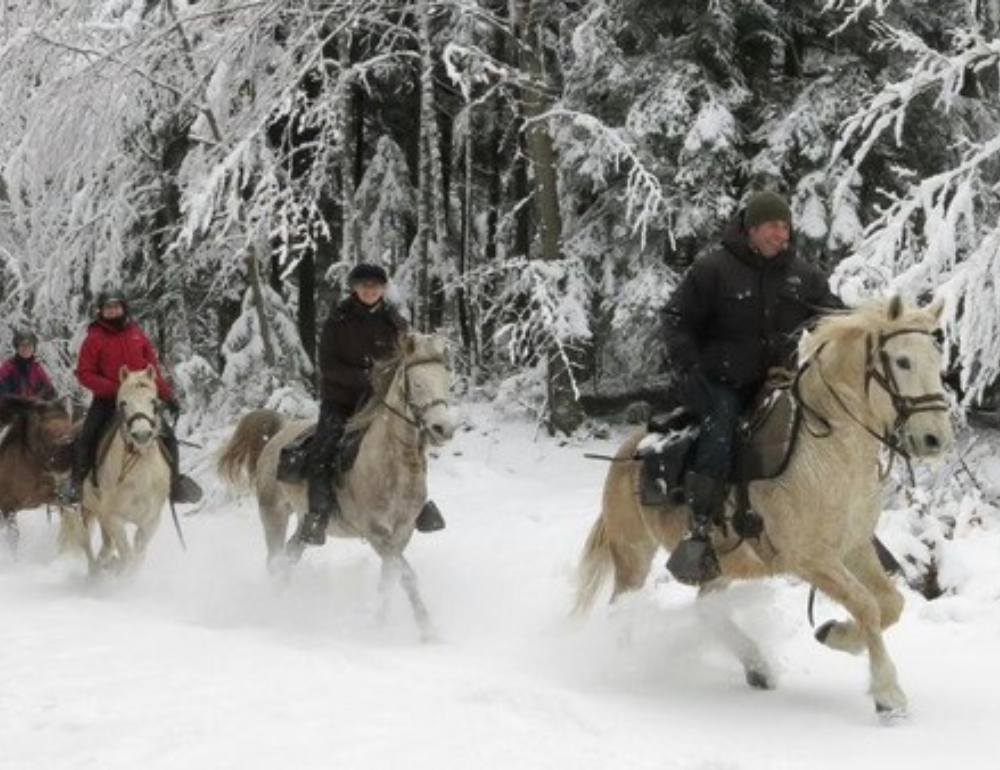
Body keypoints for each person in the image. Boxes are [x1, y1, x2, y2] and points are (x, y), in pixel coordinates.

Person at [661, 190, 841, 585]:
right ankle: (699, 529)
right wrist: (688, 365)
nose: (783, 233)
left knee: (819, 425)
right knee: (722, 427)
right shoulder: (714, 268)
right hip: (718, 381)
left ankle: (841, 522)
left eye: (786, 225)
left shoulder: (802, 274)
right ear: (753, 228)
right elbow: (676, 317)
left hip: (776, 382)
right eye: (774, 225)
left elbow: (832, 313)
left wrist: (874, 324)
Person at [293, 263, 446, 548]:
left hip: (382, 404)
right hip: (342, 402)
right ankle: (317, 516)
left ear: (383, 289)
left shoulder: (396, 323)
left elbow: (407, 362)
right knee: (322, 449)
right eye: (364, 285)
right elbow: (327, 366)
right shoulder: (337, 321)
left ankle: (417, 506)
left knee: (414, 443)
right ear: (354, 288)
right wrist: (366, 378)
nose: (369, 290)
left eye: (375, 285)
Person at [58, 288, 202, 506]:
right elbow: (84, 373)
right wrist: (116, 389)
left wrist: (166, 395)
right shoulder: (93, 339)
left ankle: (174, 484)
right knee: (86, 437)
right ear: (101, 311)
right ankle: (77, 485)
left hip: (142, 400)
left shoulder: (137, 334)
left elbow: (152, 368)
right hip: (108, 399)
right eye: (108, 307)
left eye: (116, 306)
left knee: (169, 437)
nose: (113, 311)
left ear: (124, 307)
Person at [0, 330, 57, 401]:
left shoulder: (37, 367)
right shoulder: (8, 366)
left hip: (33, 408)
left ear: (34, 348)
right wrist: (17, 399)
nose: (26, 349)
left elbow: (49, 389)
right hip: (11, 407)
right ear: (17, 348)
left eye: (29, 345)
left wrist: (39, 397)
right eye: (22, 345)